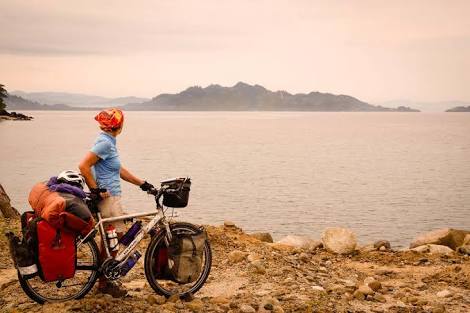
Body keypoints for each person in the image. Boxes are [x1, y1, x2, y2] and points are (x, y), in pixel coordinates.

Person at [78, 108, 154, 297]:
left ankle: (105, 279)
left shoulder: (107, 141)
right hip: (108, 199)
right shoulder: (104, 142)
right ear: (119, 126)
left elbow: (117, 169)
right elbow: (83, 166)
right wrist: (96, 189)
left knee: (112, 240)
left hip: (112, 198)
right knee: (115, 240)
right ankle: (105, 283)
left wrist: (142, 184)